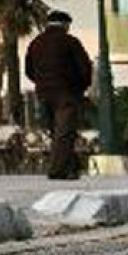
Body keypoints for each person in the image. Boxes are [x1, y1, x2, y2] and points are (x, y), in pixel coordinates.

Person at [25, 10, 93, 180]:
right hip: (66, 93)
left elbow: (29, 70)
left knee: (55, 131)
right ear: (65, 25)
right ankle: (58, 170)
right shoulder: (70, 42)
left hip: (44, 93)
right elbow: (85, 68)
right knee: (64, 132)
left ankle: (72, 167)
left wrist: (41, 82)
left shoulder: (36, 43)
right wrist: (80, 88)